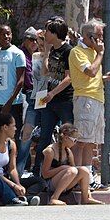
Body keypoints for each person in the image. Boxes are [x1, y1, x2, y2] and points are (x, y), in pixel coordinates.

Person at [68, 18, 110, 184]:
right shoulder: (77, 52)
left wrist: (106, 77)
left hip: (97, 98)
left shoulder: (93, 51)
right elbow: (90, 72)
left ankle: (87, 178)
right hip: (85, 99)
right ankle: (77, 178)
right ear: (88, 36)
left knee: (91, 141)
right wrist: (100, 53)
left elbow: (92, 75)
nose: (101, 40)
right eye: (98, 36)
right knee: (81, 141)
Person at [33, 17, 74, 176]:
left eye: (48, 30)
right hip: (49, 101)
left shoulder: (68, 51)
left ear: (56, 33)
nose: (45, 33)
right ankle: (38, 172)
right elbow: (45, 73)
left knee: (68, 136)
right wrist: (47, 53)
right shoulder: (53, 50)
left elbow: (68, 78)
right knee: (44, 137)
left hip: (64, 100)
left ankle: (69, 170)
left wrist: (53, 93)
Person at [0, 113, 41, 206]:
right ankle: (16, 199)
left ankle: (22, 197)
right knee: (2, 185)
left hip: (6, 178)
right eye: (14, 126)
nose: (16, 129)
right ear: (5, 127)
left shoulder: (11, 144)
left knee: (40, 182)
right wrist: (13, 185)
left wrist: (18, 184)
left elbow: (12, 168)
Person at [41, 123, 103, 205]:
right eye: (74, 140)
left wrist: (87, 189)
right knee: (72, 170)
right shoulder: (50, 151)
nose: (75, 143)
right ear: (66, 138)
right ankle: (54, 198)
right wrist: (62, 168)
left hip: (65, 183)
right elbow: (45, 174)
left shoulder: (68, 151)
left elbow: (76, 171)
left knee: (84, 170)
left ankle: (86, 198)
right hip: (49, 184)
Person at [0, 24, 26, 141]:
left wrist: (10, 102)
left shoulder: (17, 53)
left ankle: (13, 159)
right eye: (3, 34)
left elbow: (21, 81)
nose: (7, 36)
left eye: (9, 33)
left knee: (13, 136)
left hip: (13, 103)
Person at [18, 28, 47, 175]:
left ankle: (39, 171)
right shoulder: (23, 54)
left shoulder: (50, 56)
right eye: (32, 40)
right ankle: (19, 170)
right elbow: (30, 79)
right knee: (26, 134)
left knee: (46, 135)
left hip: (47, 98)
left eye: (39, 41)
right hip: (31, 96)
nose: (35, 43)